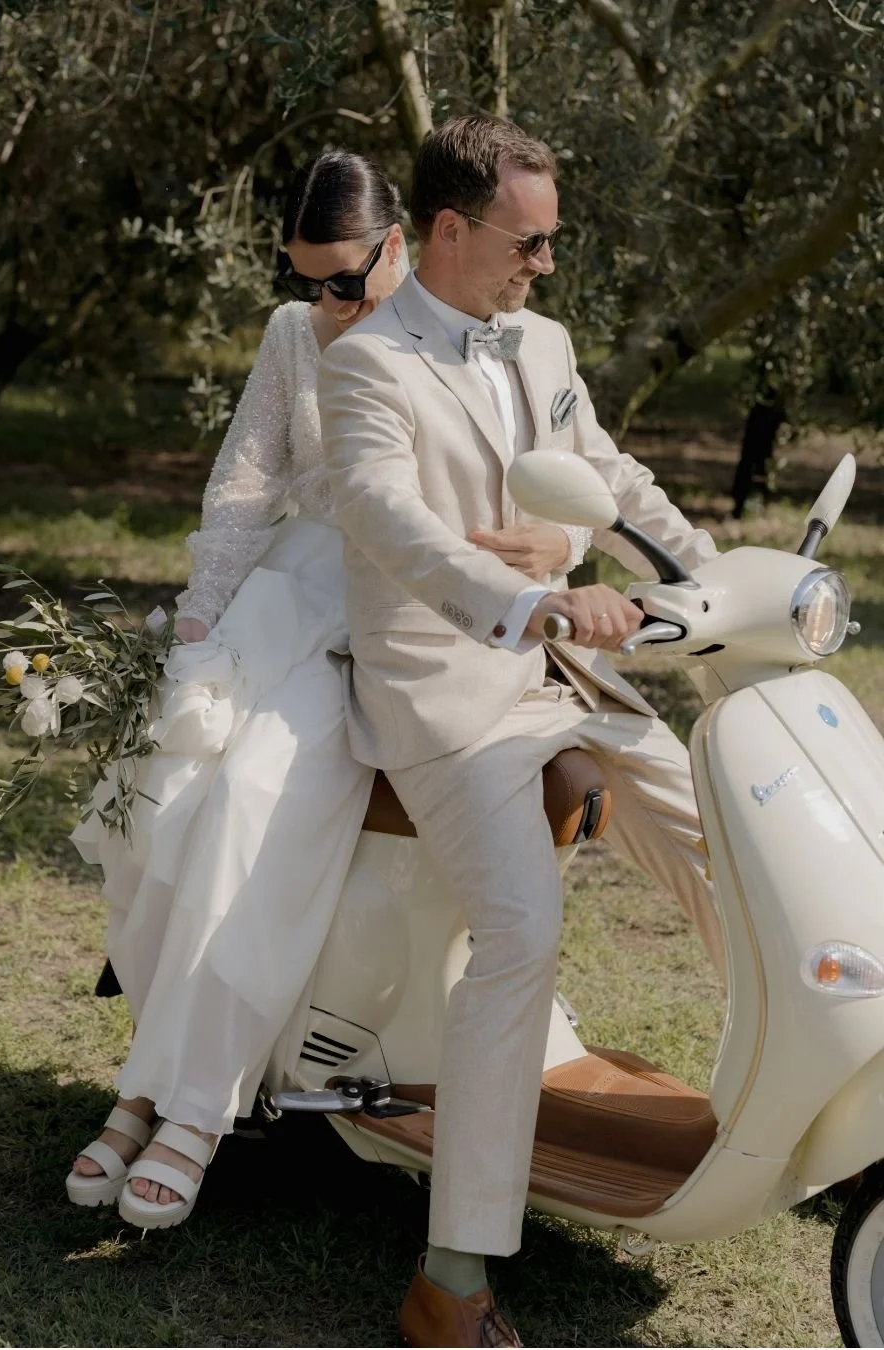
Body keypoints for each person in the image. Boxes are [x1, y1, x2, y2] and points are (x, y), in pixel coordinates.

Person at [66, 149, 593, 1230]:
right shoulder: (290, 338)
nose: (328, 305)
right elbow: (245, 485)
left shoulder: (471, 342)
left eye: (346, 280)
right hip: (279, 605)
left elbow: (560, 480)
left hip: (392, 621)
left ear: (404, 243)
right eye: (311, 282)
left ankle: (195, 1115)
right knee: (171, 803)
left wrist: (561, 544)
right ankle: (143, 1087)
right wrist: (202, 629)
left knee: (257, 802)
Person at [317, 114, 726, 1347]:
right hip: (444, 694)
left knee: (732, 839)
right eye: (529, 242)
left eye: (551, 243)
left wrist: (716, 577)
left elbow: (606, 474)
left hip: (564, 677)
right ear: (451, 230)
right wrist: (532, 596)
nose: (545, 265)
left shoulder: (540, 339)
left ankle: (835, 1116)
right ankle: (451, 1278)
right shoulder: (366, 367)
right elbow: (392, 521)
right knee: (521, 929)